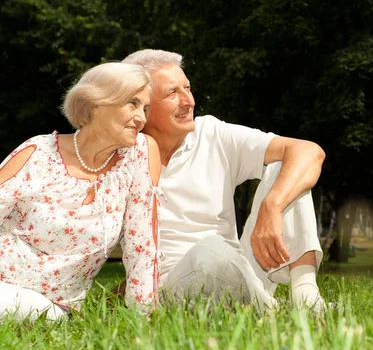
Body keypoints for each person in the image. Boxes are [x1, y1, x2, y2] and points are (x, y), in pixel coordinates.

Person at [120, 49, 326, 312]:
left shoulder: (211, 132)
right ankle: (275, 310)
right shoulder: (124, 153)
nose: (188, 101)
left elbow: (308, 151)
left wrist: (272, 205)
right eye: (173, 93)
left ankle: (305, 294)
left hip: (242, 269)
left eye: (188, 88)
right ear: (142, 105)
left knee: (284, 167)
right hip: (173, 285)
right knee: (210, 251)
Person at [0, 62, 161, 321]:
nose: (141, 117)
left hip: (55, 307)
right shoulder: (38, 152)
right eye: (132, 104)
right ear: (97, 104)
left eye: (145, 108)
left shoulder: (138, 155)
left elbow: (142, 244)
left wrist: (143, 319)